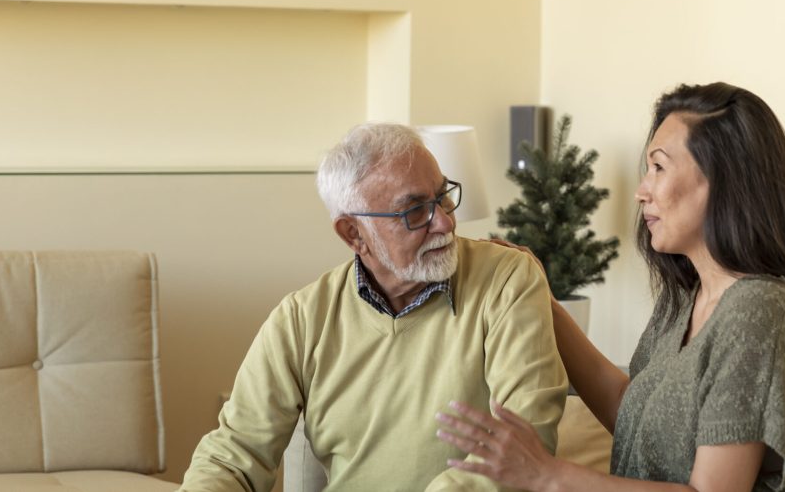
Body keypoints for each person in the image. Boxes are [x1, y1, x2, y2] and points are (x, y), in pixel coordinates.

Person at [435, 83, 785, 491]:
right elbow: (627, 406)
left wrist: (548, 475)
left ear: (724, 181)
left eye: (659, 168)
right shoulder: (686, 296)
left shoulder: (761, 312)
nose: (641, 191)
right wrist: (542, 298)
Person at [180, 123, 568, 491]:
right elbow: (234, 454)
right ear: (354, 234)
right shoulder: (300, 319)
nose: (445, 223)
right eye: (414, 210)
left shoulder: (507, 280)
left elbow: (527, 436)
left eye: (442, 196)